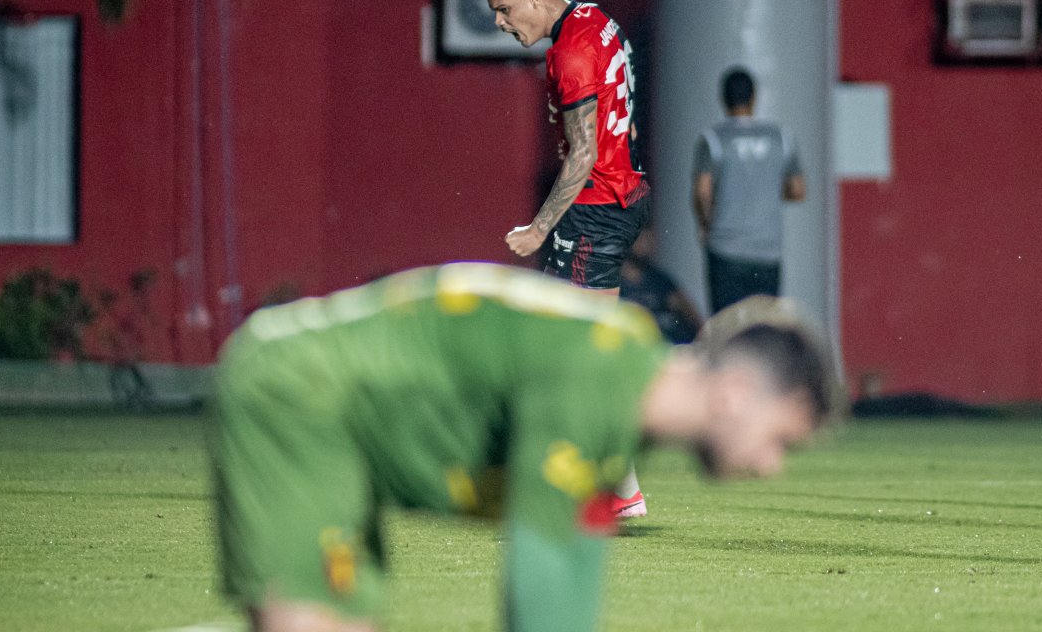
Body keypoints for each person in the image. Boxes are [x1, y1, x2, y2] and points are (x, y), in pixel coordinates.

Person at [209, 262, 839, 632]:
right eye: (779, 440)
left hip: (339, 426)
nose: (771, 466)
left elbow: (572, 575)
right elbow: (536, 574)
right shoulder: (596, 377)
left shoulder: (623, 411)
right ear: (732, 394)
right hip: (300, 397)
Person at [485, 0, 649, 297]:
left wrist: (538, 230)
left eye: (504, 9)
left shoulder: (570, 53)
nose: (500, 22)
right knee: (562, 317)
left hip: (598, 207)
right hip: (624, 192)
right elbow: (625, 119)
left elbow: (584, 152)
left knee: (578, 332)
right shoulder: (595, 17)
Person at [693, 68, 806, 313]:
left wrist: (705, 223)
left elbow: (702, 192)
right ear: (755, 98)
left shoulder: (713, 140)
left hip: (725, 250)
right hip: (767, 252)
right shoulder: (781, 138)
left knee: (726, 326)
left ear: (723, 99)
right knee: (763, 327)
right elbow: (798, 190)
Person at [619, 228, 703, 345]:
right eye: (640, 238)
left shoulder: (659, 278)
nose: (647, 243)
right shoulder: (614, 284)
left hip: (674, 345)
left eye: (648, 237)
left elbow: (688, 310)